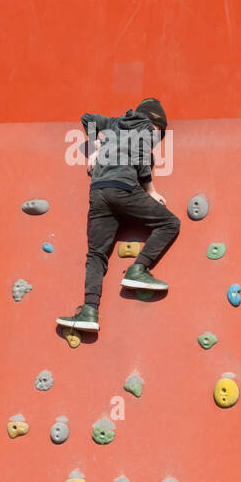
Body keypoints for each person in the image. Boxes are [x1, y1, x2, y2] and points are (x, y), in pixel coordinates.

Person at [56, 98, 180, 334]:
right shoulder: (145, 125)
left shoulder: (115, 123)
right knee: (170, 223)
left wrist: (94, 151)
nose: (158, 139)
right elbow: (143, 159)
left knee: (96, 254)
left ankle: (89, 311)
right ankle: (138, 269)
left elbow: (87, 118)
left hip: (99, 192)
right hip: (123, 187)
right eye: (159, 133)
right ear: (155, 123)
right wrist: (151, 191)